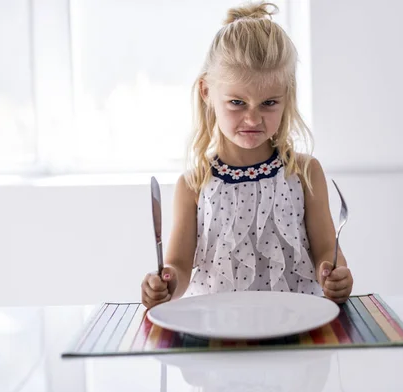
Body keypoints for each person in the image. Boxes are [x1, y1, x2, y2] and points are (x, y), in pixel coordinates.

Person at [141, 1, 353, 309]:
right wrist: (163, 285)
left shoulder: (305, 172)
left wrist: (337, 277)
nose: (253, 120)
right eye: (237, 103)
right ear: (206, 92)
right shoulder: (194, 184)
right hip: (217, 329)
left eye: (268, 103)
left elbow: (326, 251)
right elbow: (179, 267)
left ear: (287, 96)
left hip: (296, 324)